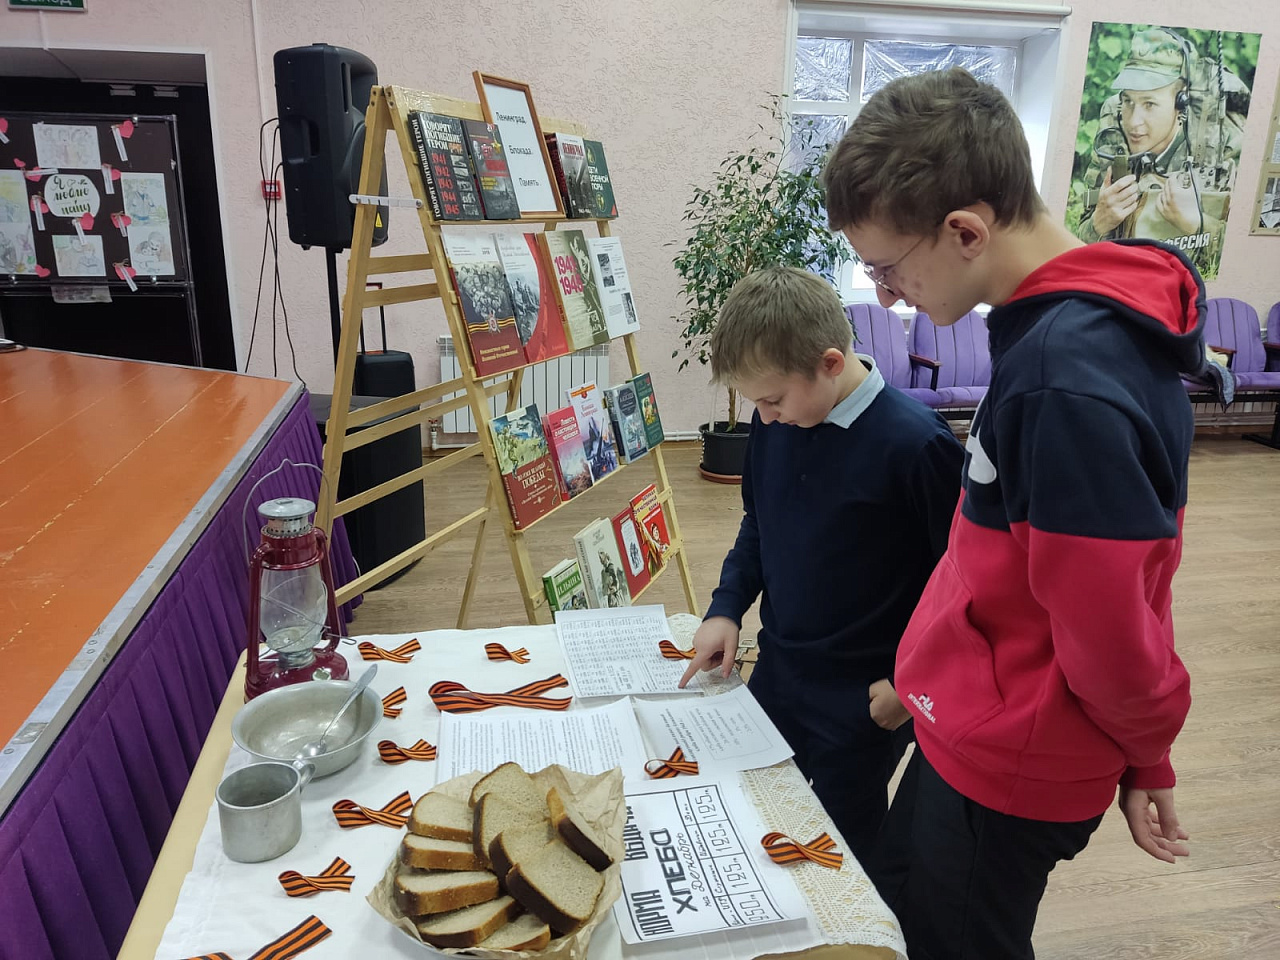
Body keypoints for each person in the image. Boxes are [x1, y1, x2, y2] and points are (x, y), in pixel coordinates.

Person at [821, 66, 1224, 959]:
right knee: (896, 912)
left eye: (887, 267)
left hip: (1013, 757)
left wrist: (1147, 748)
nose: (883, 296)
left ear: (965, 231)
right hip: (979, 721)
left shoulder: (1064, 378)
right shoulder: (1053, 334)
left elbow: (1111, 620)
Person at [677, 265, 964, 863]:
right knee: (759, 818)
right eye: (757, 402)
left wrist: (911, 687)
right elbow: (759, 523)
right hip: (780, 670)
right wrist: (726, 608)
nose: (765, 415)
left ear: (830, 363)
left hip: (865, 698)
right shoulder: (777, 422)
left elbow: (960, 584)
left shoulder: (918, 445)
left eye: (773, 399)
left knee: (841, 849)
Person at [1075, 28, 1245, 272]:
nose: (1133, 121)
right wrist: (1099, 222)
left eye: (1149, 104)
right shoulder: (1114, 132)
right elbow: (1078, 244)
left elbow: (1246, 254)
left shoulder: (1221, 140)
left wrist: (1195, 224)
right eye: (1128, 101)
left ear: (1181, 103)